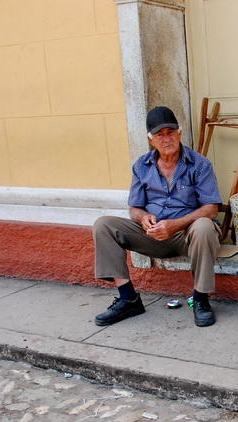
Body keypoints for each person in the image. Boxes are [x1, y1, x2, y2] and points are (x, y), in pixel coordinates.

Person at [93, 106, 222, 327]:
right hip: (151, 235)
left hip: (187, 236)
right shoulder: (141, 166)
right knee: (103, 225)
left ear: (179, 133)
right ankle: (128, 298)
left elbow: (211, 208)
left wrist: (175, 225)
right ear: (150, 139)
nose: (166, 139)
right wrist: (143, 218)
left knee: (204, 226)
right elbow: (134, 208)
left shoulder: (199, 164)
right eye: (160, 135)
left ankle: (200, 299)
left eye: (170, 133)